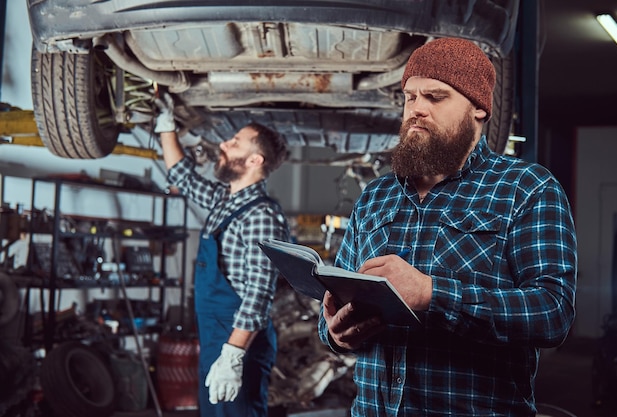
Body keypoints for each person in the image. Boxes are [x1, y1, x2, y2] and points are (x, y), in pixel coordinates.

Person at [318, 37, 577, 416]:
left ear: (479, 109)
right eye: (410, 97)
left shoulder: (526, 189)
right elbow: (338, 300)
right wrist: (335, 334)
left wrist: (430, 294)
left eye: (435, 97)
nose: (416, 110)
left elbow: (552, 313)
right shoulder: (376, 196)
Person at [154, 93, 290, 417]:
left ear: (256, 160)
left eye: (236, 142)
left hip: (238, 345)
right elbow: (182, 176)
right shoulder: (224, 200)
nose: (224, 145)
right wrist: (165, 125)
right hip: (217, 339)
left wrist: (232, 356)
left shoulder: (261, 216)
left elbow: (258, 294)